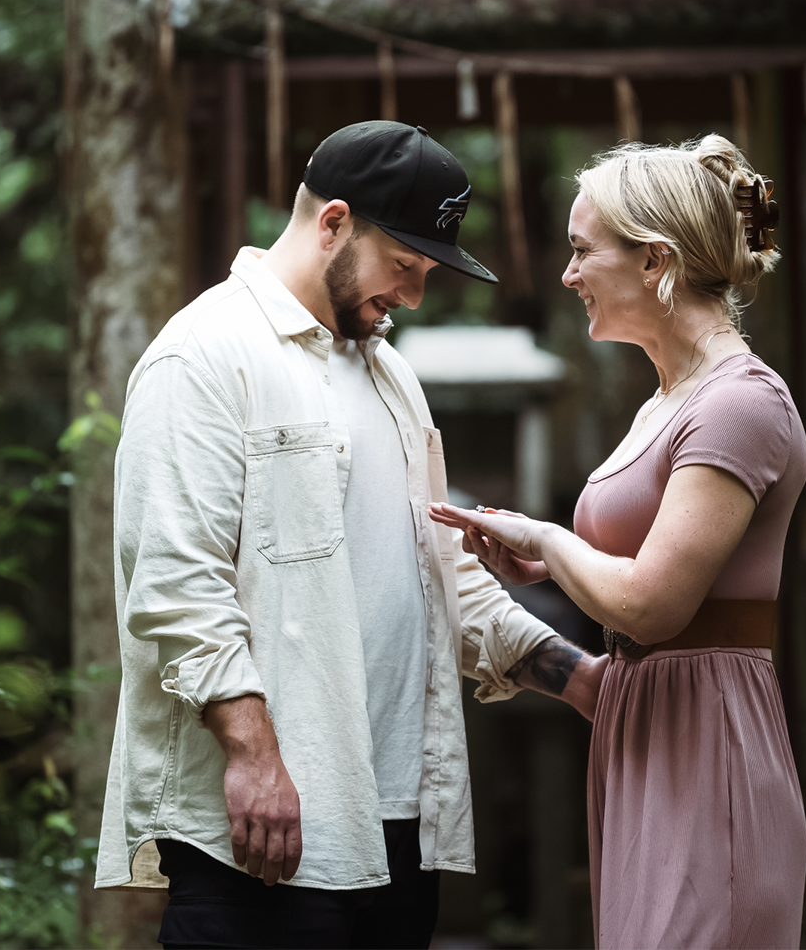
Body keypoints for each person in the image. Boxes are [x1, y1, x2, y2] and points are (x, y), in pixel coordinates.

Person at [93, 120, 607, 950]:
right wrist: (255, 757)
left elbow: (441, 570)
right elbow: (178, 582)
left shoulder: (389, 373)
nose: (414, 295)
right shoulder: (203, 355)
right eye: (404, 267)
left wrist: (578, 676)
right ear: (333, 223)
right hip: (267, 830)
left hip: (401, 826)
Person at [429, 135, 806, 950]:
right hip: (642, 731)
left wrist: (546, 537)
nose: (566, 276)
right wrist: (549, 567)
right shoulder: (662, 401)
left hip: (708, 736)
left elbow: (654, 603)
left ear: (655, 261)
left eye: (579, 250)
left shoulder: (740, 403)